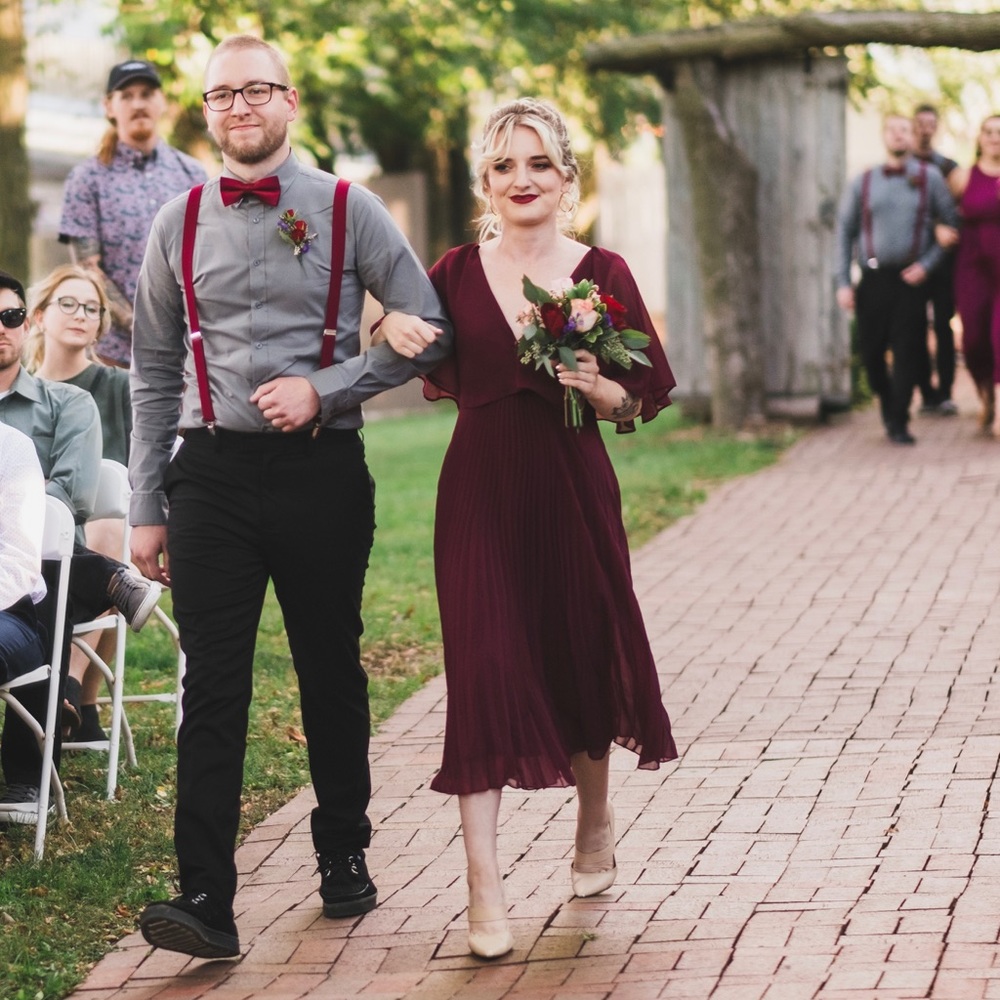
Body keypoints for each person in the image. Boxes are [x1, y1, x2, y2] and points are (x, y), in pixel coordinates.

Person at [128, 34, 451, 961]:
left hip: (320, 471)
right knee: (213, 682)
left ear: (290, 99)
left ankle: (344, 850)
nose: (239, 108)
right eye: (222, 95)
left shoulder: (353, 211)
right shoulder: (174, 222)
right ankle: (205, 898)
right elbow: (153, 372)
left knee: (329, 668)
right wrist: (148, 503)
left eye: (256, 90)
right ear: (206, 111)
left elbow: (429, 332)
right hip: (210, 479)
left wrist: (333, 386)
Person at [376, 98, 678, 960]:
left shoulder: (602, 269)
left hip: (573, 486)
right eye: (505, 166)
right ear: (485, 182)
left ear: (567, 178)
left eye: (538, 163)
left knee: (582, 653)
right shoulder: (452, 271)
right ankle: (484, 890)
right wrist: (387, 321)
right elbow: (400, 342)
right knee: (483, 669)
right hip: (478, 492)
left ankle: (593, 822)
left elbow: (639, 397)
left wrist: (597, 385)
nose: (522, 180)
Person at [0, 269, 161, 817]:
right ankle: (111, 582)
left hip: (43, 556)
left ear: (26, 325)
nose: (2, 328)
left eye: (9, 316)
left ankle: (28, 773)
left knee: (49, 567)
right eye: (66, 304)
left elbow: (68, 497)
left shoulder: (69, 403)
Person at [24, 265, 131, 742]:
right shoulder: (21, 391)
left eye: (92, 308)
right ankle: (79, 709)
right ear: (39, 316)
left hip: (107, 533)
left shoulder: (119, 388)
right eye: (68, 303)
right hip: (27, 532)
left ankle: (69, 689)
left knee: (106, 527)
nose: (81, 315)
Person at [58, 59, 208, 368]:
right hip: (115, 356)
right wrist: (144, 325)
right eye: (126, 96)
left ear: (162, 101)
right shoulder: (87, 179)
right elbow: (88, 271)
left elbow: (211, 257)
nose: (138, 103)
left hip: (189, 354)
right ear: (108, 106)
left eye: (147, 93)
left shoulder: (193, 174)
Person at [835, 113, 959, 445]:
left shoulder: (930, 177)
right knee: (872, 353)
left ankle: (900, 418)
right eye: (893, 129)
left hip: (911, 280)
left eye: (905, 129)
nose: (899, 135)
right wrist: (843, 281)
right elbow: (844, 233)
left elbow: (951, 227)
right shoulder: (862, 182)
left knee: (908, 351)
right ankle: (888, 402)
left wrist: (927, 265)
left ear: (912, 135)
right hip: (873, 279)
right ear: (884, 135)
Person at [948, 114, 1000, 438]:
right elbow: (937, 211)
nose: (995, 138)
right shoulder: (962, 177)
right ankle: (986, 396)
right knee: (974, 340)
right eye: (989, 132)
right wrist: (940, 227)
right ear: (979, 138)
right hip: (972, 267)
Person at [912, 104, 960, 416]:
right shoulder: (899, 165)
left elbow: (959, 214)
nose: (926, 129)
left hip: (944, 262)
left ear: (937, 128)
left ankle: (944, 393)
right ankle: (925, 392)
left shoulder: (950, 168)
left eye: (931, 124)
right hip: (911, 261)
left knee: (943, 326)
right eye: (920, 124)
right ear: (913, 127)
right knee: (913, 327)